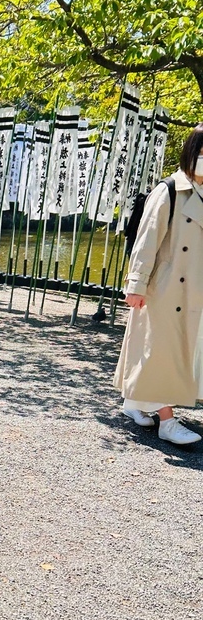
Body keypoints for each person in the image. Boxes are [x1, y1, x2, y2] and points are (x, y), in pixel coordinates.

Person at [114, 123, 203, 446]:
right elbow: (146, 241)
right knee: (160, 353)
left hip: (196, 290)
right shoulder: (168, 190)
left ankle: (134, 401)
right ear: (192, 153)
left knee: (180, 353)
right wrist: (136, 284)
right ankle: (167, 422)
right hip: (166, 288)